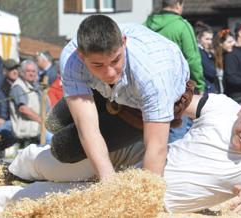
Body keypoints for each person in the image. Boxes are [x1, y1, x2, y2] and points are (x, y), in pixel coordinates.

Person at [0, 93, 241, 216]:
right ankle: (14, 166)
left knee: (45, 199)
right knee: (55, 163)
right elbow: (174, 103)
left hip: (143, 201)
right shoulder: (221, 107)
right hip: (138, 158)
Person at [48, 14, 190, 180]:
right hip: (104, 90)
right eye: (98, 64)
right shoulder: (71, 60)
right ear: (81, 56)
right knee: (53, 122)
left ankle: (130, 152)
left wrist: (145, 196)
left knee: (62, 148)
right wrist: (108, 181)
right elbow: (87, 128)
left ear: (124, 42)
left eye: (115, 60)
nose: (109, 72)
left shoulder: (152, 75)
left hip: (138, 106)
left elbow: (156, 146)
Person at [144, 0, 205, 93]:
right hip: (175, 87)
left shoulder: (145, 25)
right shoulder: (183, 26)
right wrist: (199, 85)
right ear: (177, 5)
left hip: (149, 86)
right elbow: (192, 59)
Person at [9, 60, 52, 145]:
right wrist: (42, 121)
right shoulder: (18, 86)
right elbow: (23, 109)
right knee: (52, 140)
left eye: (33, 71)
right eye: (28, 71)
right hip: (28, 131)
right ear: (21, 72)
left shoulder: (37, 86)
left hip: (41, 128)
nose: (31, 73)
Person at [195, 21, 218, 94]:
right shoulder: (199, 52)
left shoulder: (205, 52)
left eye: (211, 39)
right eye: (207, 39)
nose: (210, 42)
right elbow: (211, 72)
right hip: (205, 89)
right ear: (198, 38)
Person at [213, 28, 235, 94]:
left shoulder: (232, 55)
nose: (233, 44)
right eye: (229, 42)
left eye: (233, 41)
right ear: (220, 43)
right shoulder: (214, 58)